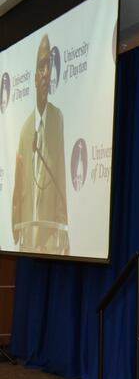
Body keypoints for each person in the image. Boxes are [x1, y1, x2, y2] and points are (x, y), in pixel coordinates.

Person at [11, 34, 70, 255]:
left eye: (49, 66)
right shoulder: (25, 129)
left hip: (49, 244)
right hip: (27, 242)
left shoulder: (57, 119)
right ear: (34, 76)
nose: (46, 73)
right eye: (41, 65)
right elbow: (19, 192)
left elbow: (61, 180)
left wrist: (63, 236)